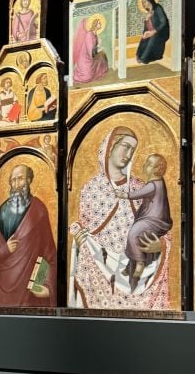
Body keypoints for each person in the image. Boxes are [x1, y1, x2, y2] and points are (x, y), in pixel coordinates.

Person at [69, 126, 171, 309]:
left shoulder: (140, 186)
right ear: (109, 148)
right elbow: (83, 227)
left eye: (132, 149)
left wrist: (161, 245)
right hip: (98, 268)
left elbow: (158, 223)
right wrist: (77, 233)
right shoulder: (91, 189)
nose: (128, 153)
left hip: (139, 270)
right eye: (125, 146)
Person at [0, 163, 57, 306]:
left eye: (21, 179)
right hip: (4, 284)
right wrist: (5, 249)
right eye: (13, 180)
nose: (17, 184)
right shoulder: (2, 211)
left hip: (29, 285)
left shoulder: (39, 209)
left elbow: (49, 253)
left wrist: (47, 284)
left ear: (29, 180)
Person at [115, 154, 173, 293]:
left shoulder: (154, 184)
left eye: (149, 163)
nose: (145, 165)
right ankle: (131, 266)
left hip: (154, 221)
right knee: (136, 237)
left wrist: (124, 195)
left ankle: (140, 262)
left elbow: (139, 193)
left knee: (134, 233)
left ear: (156, 169)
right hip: (149, 219)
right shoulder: (156, 182)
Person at [72, 16, 109, 84]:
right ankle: (91, 73)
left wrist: (99, 46)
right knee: (87, 77)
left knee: (103, 55)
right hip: (85, 59)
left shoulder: (95, 34)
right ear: (94, 24)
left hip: (91, 55)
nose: (100, 24)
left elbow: (94, 48)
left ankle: (99, 72)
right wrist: (99, 49)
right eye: (98, 23)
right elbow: (90, 51)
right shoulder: (89, 35)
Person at [136, 0, 170, 65]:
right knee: (144, 38)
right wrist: (146, 21)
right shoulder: (149, 12)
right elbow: (146, 28)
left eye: (145, 2)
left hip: (161, 32)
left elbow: (163, 22)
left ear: (150, 0)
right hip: (152, 32)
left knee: (153, 37)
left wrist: (154, 31)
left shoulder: (158, 8)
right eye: (143, 4)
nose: (144, 5)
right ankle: (139, 56)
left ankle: (144, 58)